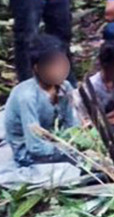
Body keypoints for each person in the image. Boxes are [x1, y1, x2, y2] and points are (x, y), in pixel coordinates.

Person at [4, 34, 78, 166]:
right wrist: (67, 149)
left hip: (56, 140)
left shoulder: (65, 87)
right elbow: (35, 146)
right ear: (37, 68)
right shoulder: (27, 97)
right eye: (53, 66)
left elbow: (72, 124)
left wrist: (77, 141)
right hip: (28, 151)